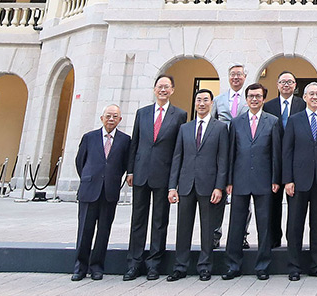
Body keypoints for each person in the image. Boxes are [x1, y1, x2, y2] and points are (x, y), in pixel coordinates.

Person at [124, 74, 188, 280]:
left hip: (164, 174)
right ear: (154, 89)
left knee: (160, 222)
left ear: (172, 90)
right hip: (141, 174)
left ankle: (154, 264)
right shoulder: (142, 113)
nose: (163, 90)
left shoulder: (179, 115)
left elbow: (179, 149)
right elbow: (135, 143)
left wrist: (175, 180)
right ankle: (134, 263)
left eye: (166, 87)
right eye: (159, 86)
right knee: (138, 220)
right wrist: (130, 170)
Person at [166, 88, 229, 282]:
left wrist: (219, 186)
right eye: (198, 100)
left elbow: (223, 159)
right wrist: (172, 186)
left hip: (209, 186)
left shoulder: (220, 128)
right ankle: (180, 266)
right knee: (183, 227)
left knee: (208, 228)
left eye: (205, 100)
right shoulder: (185, 128)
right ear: (195, 103)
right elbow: (177, 157)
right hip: (186, 185)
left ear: (212, 103)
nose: (201, 103)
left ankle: (204, 266)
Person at [224, 83, 281, 280]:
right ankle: (233, 265)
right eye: (251, 96)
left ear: (263, 99)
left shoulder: (272, 121)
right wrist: (229, 180)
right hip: (239, 179)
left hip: (264, 179)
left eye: (258, 96)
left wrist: (276, 179)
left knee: (264, 224)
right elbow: (231, 152)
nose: (254, 99)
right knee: (236, 224)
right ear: (246, 99)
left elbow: (276, 153)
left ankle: (262, 266)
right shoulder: (237, 122)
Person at [282, 82, 317, 281]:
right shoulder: (294, 120)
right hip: (298, 181)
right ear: (304, 97)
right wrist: (288, 179)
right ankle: (294, 266)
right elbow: (286, 151)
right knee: (295, 225)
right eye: (311, 94)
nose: (315, 97)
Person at [72, 104, 130, 281]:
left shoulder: (125, 140)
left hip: (109, 192)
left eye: (115, 116)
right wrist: (90, 178)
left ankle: (97, 267)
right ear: (102, 118)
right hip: (89, 191)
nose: (111, 119)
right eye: (108, 116)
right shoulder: (89, 137)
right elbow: (80, 161)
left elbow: (125, 164)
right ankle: (80, 267)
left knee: (104, 231)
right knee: (84, 230)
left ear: (120, 119)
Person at [263, 71, 306, 248]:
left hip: (295, 161)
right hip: (273, 160)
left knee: (294, 205)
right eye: (283, 82)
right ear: (277, 85)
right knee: (272, 203)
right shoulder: (269, 106)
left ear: (295, 85)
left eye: (290, 82)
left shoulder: (303, 105)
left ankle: (292, 241)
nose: (286, 85)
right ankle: (274, 238)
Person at [212, 63, 248, 248]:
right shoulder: (218, 100)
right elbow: (212, 123)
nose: (236, 77)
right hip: (222, 151)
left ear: (245, 76)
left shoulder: (250, 99)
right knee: (219, 193)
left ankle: (242, 234)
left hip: (243, 152)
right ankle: (215, 234)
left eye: (239, 74)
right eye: (233, 74)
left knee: (243, 196)